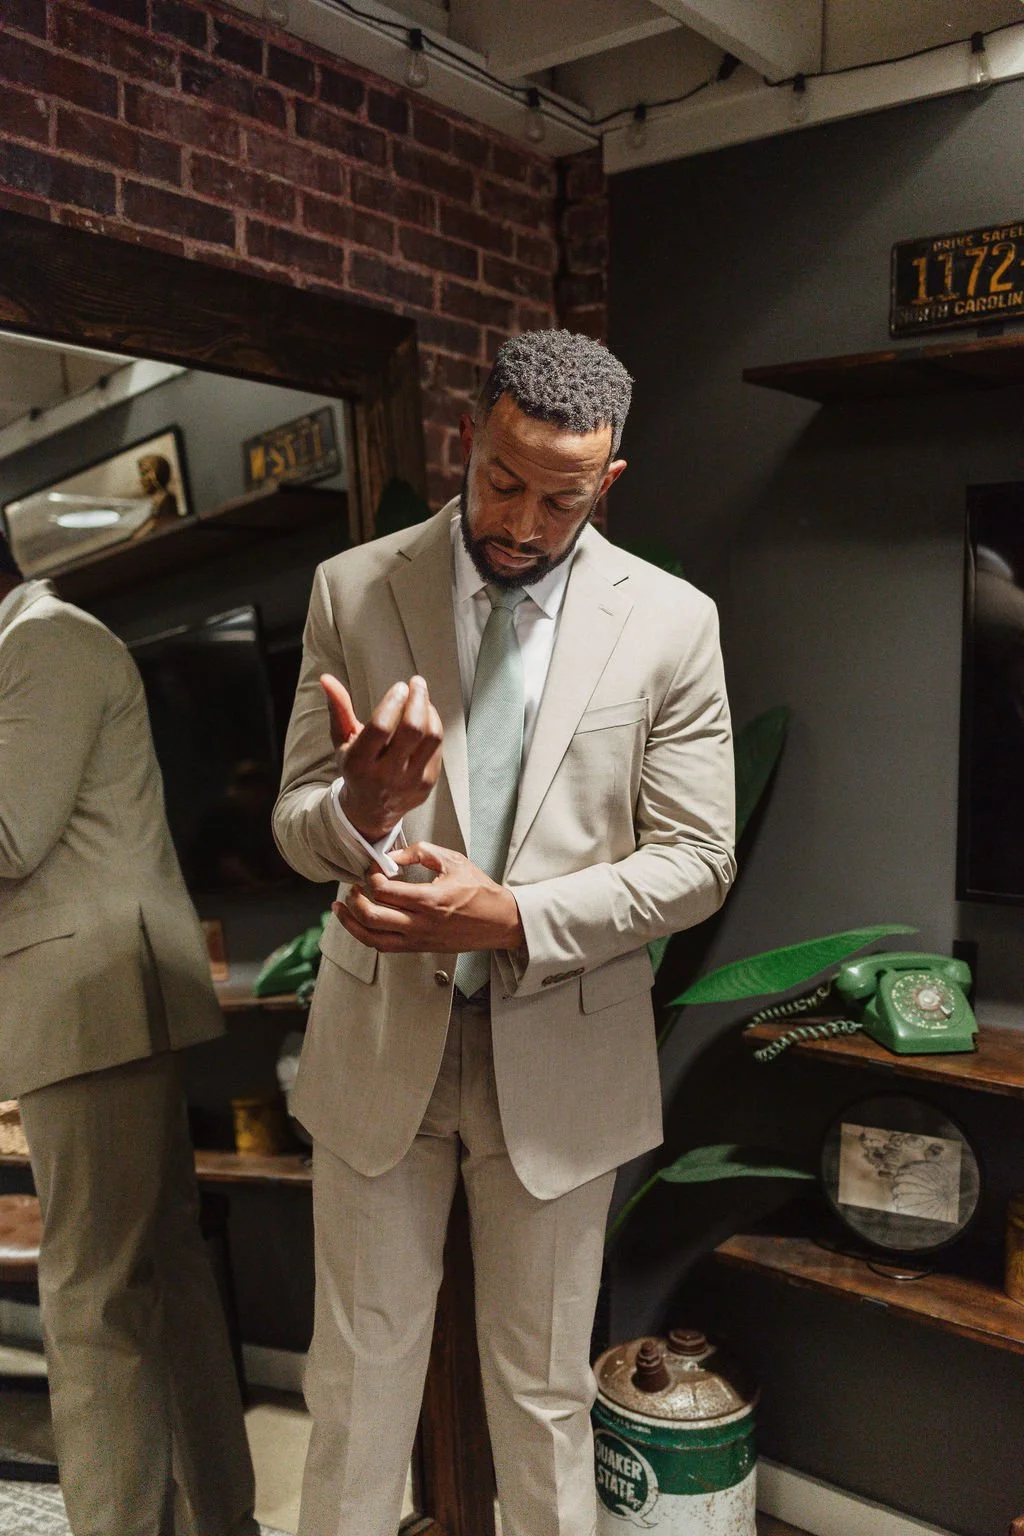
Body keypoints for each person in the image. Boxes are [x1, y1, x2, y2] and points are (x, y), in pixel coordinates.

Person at [273, 329, 736, 1536]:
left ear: (610, 482)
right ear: (469, 437)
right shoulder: (353, 588)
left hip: (562, 1063)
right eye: (499, 479)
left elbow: (698, 860)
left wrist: (512, 916)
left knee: (540, 1403)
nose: (521, 522)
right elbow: (294, 824)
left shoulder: (673, 624)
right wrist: (359, 806)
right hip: (379, 1047)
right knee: (357, 1394)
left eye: (560, 497)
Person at [0, 531, 257, 1536]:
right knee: (155, 1278)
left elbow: (10, 832)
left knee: (90, 1301)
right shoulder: (37, 642)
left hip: (91, 999)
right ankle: (211, 1520)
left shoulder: (44, 639)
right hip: (98, 997)